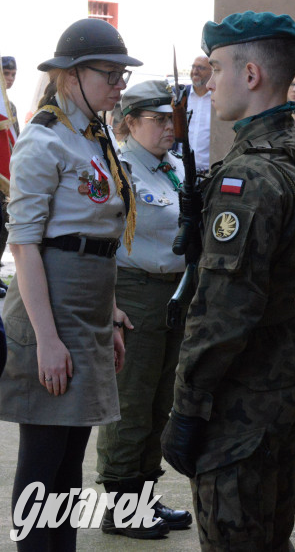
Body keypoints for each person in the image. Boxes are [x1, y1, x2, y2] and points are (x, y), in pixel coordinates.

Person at [160, 11, 295, 550]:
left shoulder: (249, 176)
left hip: (243, 392)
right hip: (284, 367)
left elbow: (222, 313)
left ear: (252, 74)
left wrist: (186, 409)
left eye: (216, 68)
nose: (209, 82)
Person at [0, 18, 141, 550]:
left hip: (87, 309)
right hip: (50, 311)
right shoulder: (43, 141)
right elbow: (26, 244)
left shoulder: (93, 135)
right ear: (70, 76)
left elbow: (98, 239)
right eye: (111, 74)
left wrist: (111, 316)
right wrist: (49, 340)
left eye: (122, 76)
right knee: (43, 466)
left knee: (69, 469)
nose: (119, 86)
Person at [94, 80, 193, 538]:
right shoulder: (119, 170)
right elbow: (101, 239)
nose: (170, 128)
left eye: (172, 119)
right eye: (158, 120)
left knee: (160, 400)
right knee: (131, 399)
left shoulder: (172, 167)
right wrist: (109, 304)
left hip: (174, 292)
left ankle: (145, 496)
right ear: (130, 123)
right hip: (133, 290)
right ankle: (121, 505)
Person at [1, 55, 19, 297]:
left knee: (3, 227)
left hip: (5, 180)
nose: (10, 79)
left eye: (13, 74)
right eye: (6, 74)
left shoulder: (9, 106)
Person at [180, 55, 213, 175]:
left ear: (212, 71)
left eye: (201, 68)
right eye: (193, 67)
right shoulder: (181, 95)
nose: (195, 71)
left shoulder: (218, 98)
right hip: (180, 172)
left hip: (209, 175)